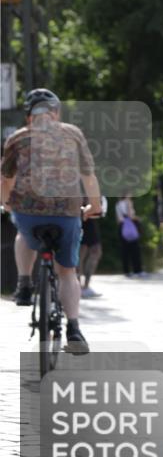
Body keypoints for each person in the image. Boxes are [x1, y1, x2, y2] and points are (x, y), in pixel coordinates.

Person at [1, 88, 102, 354]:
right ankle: (74, 329)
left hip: (28, 213)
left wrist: (7, 202)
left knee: (23, 232)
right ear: (55, 113)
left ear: (29, 117)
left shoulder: (17, 138)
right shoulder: (72, 134)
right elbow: (88, 176)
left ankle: (24, 283)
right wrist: (95, 205)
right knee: (67, 273)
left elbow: (5, 180)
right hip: (67, 212)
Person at [78, 196, 106, 299]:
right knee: (81, 254)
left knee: (93, 252)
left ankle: (84, 286)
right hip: (81, 220)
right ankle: (80, 286)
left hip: (89, 221)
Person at [115, 193, 147, 278]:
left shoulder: (118, 204)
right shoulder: (128, 202)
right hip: (131, 226)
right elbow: (130, 215)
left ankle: (127, 271)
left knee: (125, 251)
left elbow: (118, 220)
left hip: (122, 227)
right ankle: (138, 270)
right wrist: (137, 218)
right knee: (135, 250)